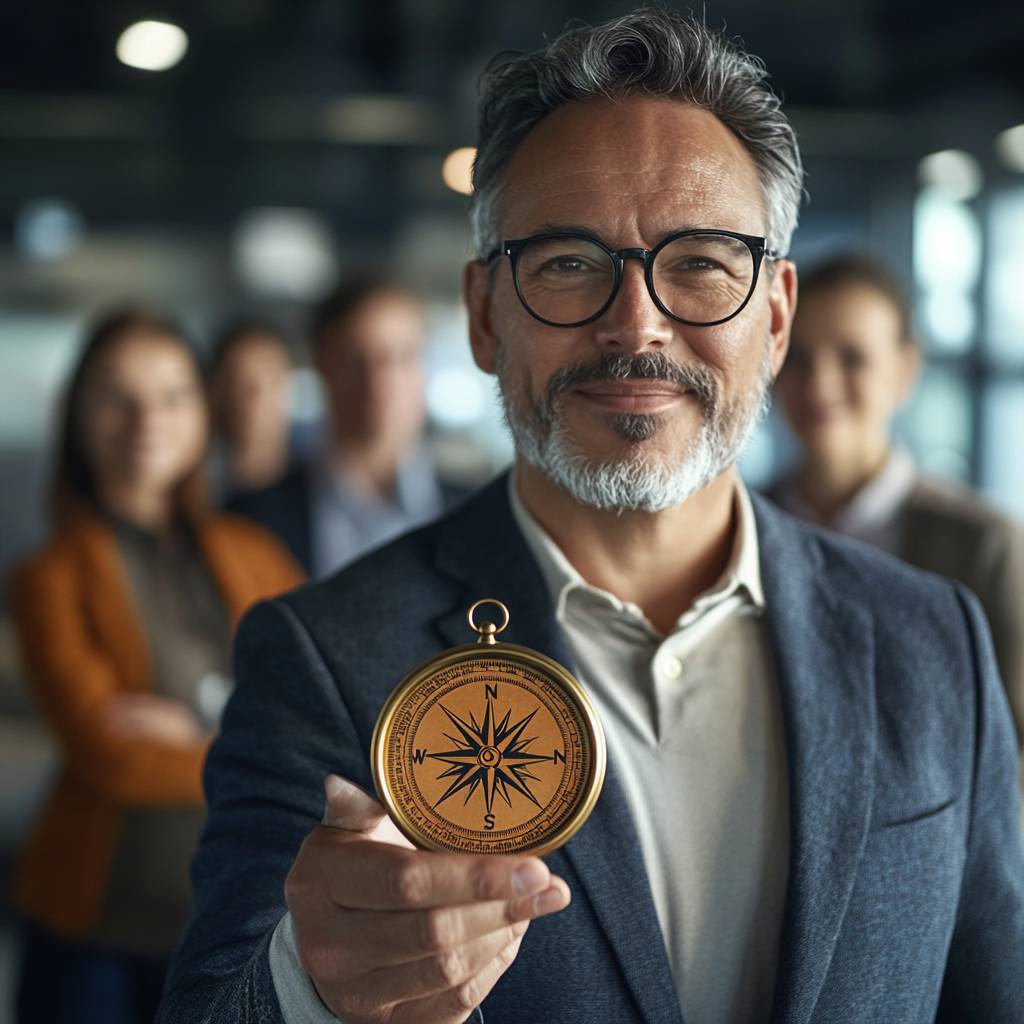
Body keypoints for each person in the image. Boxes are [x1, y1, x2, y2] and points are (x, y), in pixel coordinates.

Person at [160, 9, 1024, 1024]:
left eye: (700, 260)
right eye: (568, 262)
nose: (636, 324)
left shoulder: (931, 638)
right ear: (486, 316)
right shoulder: (325, 659)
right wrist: (313, 985)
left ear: (777, 315)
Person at [10, 308, 303, 1024]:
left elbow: (316, 718)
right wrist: (246, 740)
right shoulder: (48, 576)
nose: (148, 418)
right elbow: (110, 754)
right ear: (77, 413)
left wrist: (189, 734)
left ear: (203, 412)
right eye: (118, 396)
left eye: (172, 395)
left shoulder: (254, 554)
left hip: (239, 922)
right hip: (96, 926)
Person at [770, 253, 1024, 772]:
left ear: (905, 371)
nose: (819, 383)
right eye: (798, 357)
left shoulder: (984, 543)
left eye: (852, 357)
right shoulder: (739, 524)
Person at [228, 274, 466, 577]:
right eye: (356, 358)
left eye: (401, 357)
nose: (381, 380)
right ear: (321, 365)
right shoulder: (252, 520)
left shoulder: (480, 513)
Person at [206, 318, 296, 501]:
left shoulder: (321, 485)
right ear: (216, 390)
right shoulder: (196, 491)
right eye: (240, 382)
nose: (257, 398)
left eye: (271, 380)